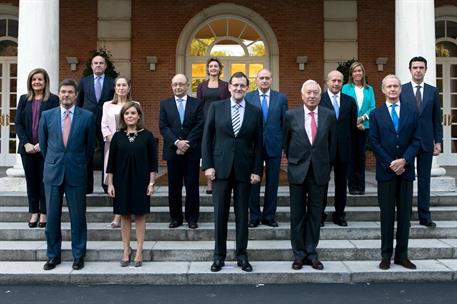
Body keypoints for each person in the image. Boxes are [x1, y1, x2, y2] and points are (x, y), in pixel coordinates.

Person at [202, 72, 263, 272]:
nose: (238, 88)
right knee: (220, 214)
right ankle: (218, 256)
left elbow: (258, 143)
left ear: (247, 88)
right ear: (229, 87)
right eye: (235, 85)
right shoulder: (216, 108)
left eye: (242, 85)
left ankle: (242, 256)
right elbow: (207, 138)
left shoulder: (255, 111)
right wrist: (208, 165)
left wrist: (256, 170)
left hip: (244, 170)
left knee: (242, 216)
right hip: (220, 169)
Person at [39, 79, 95, 271]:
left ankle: (78, 255)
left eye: (70, 92)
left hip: (76, 171)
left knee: (78, 217)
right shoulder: (47, 116)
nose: (66, 95)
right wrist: (55, 161)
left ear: (76, 95)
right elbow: (44, 145)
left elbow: (89, 147)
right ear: (59, 93)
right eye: (63, 92)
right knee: (52, 217)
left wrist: (77, 162)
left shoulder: (87, 117)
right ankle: (53, 255)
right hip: (53, 172)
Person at [283, 80, 336, 271]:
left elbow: (333, 144)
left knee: (315, 215)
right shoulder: (291, 115)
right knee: (297, 215)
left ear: (320, 96)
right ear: (302, 95)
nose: (312, 96)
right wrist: (296, 160)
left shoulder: (329, 116)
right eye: (308, 92)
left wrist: (324, 163)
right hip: (298, 171)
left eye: (315, 92)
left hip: (319, 172)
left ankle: (312, 253)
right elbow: (286, 142)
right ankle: (298, 255)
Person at [369, 74, 420, 270]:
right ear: (383, 90)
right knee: (387, 215)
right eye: (389, 86)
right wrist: (391, 163)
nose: (392, 89)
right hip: (386, 172)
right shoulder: (376, 114)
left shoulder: (411, 112)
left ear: (400, 89)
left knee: (405, 216)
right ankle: (386, 256)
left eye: (395, 86)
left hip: (405, 171)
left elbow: (417, 140)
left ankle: (402, 255)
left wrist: (404, 160)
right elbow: (373, 142)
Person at [106, 102, 158, 267]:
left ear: (139, 116)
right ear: (123, 117)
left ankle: (140, 249)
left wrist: (151, 182)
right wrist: (110, 184)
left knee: (140, 215)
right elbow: (111, 163)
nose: (130, 116)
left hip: (141, 181)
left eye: (133, 113)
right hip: (121, 181)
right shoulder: (117, 136)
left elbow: (153, 163)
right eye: (127, 113)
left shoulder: (147, 136)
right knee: (124, 215)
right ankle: (126, 249)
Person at [400, 56, 443, 228]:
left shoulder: (433, 91)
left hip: (426, 142)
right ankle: (406, 215)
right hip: (407, 143)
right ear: (410, 70)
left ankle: (425, 216)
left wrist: (438, 141)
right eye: (415, 67)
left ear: (426, 70)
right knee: (407, 180)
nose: (418, 70)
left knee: (425, 181)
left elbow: (436, 120)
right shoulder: (402, 90)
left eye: (421, 67)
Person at [15, 68, 59, 228]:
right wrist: (26, 143)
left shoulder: (53, 100)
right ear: (30, 82)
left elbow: (55, 124)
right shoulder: (23, 99)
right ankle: (34, 211)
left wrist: (42, 143)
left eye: (40, 79)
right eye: (34, 80)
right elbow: (18, 123)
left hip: (45, 149)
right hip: (26, 149)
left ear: (45, 81)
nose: (37, 82)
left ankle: (44, 212)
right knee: (31, 181)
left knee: (44, 181)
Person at [245, 68, 288, 228]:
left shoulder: (281, 98)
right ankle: (254, 216)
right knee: (253, 182)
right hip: (253, 147)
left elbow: (285, 123)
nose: (264, 80)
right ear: (256, 81)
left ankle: (269, 216)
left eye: (267, 78)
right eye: (261, 78)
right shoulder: (248, 97)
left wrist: (284, 145)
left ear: (271, 80)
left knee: (272, 183)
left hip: (274, 145)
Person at [160, 74, 203, 229]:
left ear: (187, 86)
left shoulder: (197, 103)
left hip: (191, 152)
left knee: (192, 186)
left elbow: (200, 125)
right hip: (172, 152)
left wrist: (187, 144)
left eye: (181, 84)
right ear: (172, 86)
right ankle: (176, 218)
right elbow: (163, 127)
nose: (177, 87)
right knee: (174, 187)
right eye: (175, 84)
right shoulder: (165, 104)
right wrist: (177, 143)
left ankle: (192, 218)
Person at [320, 71, 357, 227]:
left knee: (341, 185)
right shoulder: (320, 99)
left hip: (344, 149)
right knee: (322, 183)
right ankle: (319, 214)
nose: (336, 83)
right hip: (324, 149)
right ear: (327, 82)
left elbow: (352, 126)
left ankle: (340, 215)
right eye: (333, 80)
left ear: (343, 83)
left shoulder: (349, 101)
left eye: (339, 81)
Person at [77, 54, 115, 194]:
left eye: (101, 63)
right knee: (87, 153)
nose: (98, 65)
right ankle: (87, 186)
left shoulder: (112, 82)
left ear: (105, 66)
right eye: (95, 63)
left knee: (107, 153)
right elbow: (79, 103)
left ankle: (106, 185)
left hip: (106, 123)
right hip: (87, 122)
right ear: (92, 66)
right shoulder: (84, 81)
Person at [101, 76, 135, 228]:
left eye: (124, 85)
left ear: (128, 87)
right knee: (115, 181)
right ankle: (119, 213)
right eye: (118, 85)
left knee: (128, 179)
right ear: (115, 88)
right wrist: (113, 140)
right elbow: (103, 125)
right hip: (112, 147)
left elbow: (138, 124)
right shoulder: (107, 105)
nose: (121, 88)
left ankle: (122, 214)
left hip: (130, 148)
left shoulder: (135, 105)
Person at [197, 57, 231, 194]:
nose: (213, 68)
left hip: (220, 122)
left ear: (219, 69)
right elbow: (199, 106)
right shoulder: (201, 86)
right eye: (211, 66)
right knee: (207, 151)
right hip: (206, 123)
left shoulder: (225, 85)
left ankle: (223, 179)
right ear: (208, 69)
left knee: (221, 151)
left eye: (216, 66)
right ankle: (209, 185)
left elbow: (229, 104)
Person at [342, 62, 376, 195]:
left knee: (361, 157)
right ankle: (352, 187)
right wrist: (354, 122)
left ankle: (361, 187)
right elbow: (344, 106)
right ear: (351, 74)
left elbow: (372, 107)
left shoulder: (369, 89)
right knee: (351, 157)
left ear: (363, 73)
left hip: (364, 127)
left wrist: (363, 118)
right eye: (355, 71)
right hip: (350, 127)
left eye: (359, 71)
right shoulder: (346, 88)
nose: (357, 73)